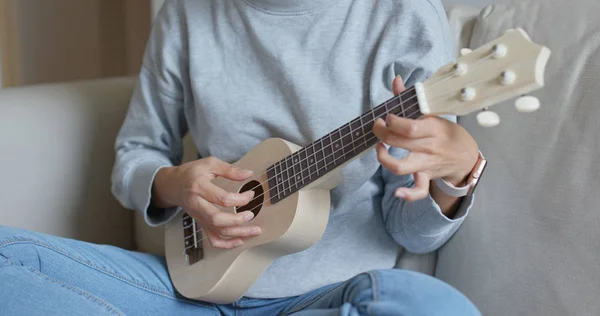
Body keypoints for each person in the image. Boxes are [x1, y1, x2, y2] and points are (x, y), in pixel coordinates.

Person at [0, 0, 483, 315]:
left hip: (327, 298)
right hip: (189, 292)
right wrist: (176, 183)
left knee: (430, 307)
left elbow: (410, 233)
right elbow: (135, 155)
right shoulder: (185, 14)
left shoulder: (403, 15)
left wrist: (455, 175)